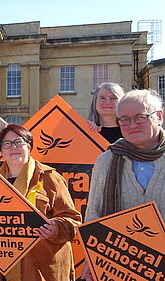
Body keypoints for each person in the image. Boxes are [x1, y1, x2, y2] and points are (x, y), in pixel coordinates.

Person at [0, 124, 82, 281]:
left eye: (18, 142)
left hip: (40, 270)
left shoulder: (49, 177)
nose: (13, 147)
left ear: (29, 146)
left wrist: (55, 227)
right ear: (1, 151)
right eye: (7, 144)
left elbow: (73, 221)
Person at [82, 89, 165, 281]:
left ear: (159, 116)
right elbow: (94, 214)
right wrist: (91, 259)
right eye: (124, 119)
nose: (132, 125)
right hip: (118, 266)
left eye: (140, 117)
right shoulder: (107, 160)